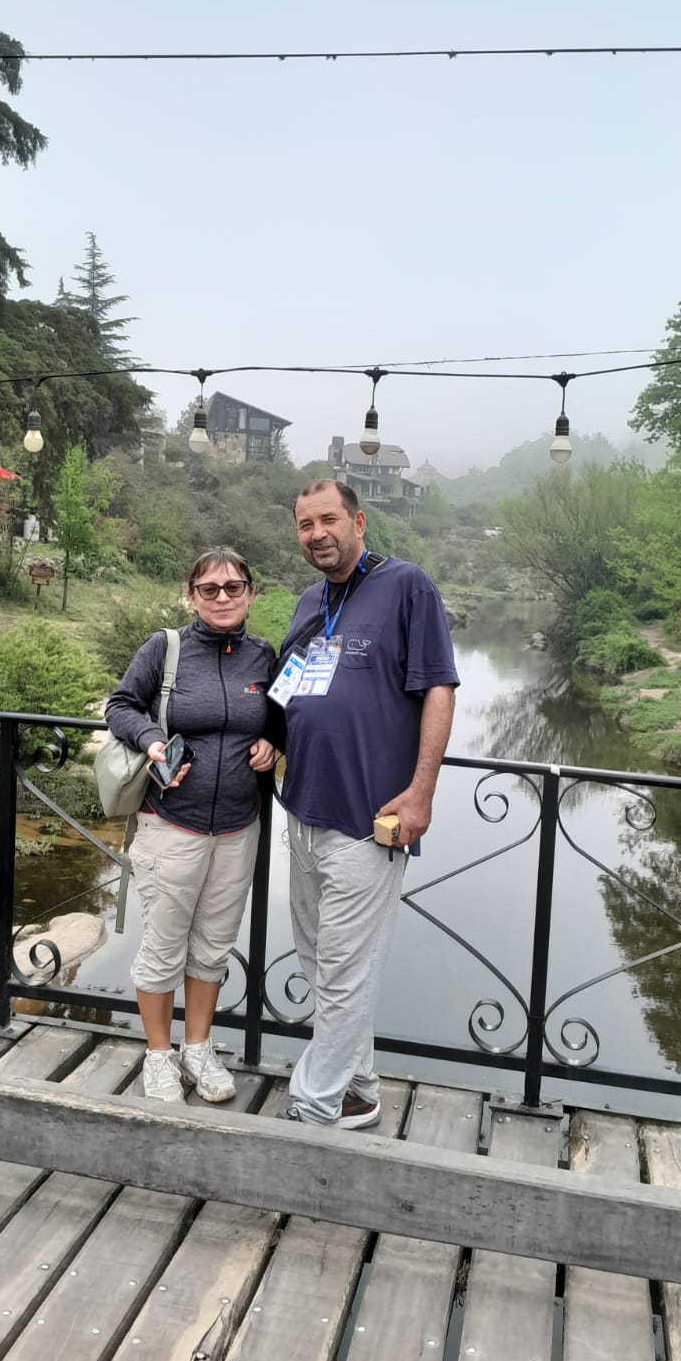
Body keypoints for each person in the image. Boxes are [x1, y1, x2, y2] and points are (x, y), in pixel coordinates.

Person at [275, 480, 458, 1127]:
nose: (317, 533)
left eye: (328, 519)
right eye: (304, 525)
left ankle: (315, 1107)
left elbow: (438, 688)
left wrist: (422, 792)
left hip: (368, 818)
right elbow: (285, 697)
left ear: (357, 520)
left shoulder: (407, 587)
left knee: (345, 972)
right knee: (318, 962)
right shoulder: (307, 602)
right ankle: (358, 1087)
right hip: (301, 810)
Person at [105, 546, 276, 1105]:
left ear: (251, 592)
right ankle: (159, 1054)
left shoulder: (263, 655)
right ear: (191, 595)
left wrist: (274, 744)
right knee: (163, 946)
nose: (222, 597)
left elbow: (278, 719)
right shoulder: (166, 648)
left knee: (212, 949)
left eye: (233, 587)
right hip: (169, 825)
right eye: (210, 589)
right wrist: (151, 740)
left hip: (236, 829)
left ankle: (198, 1048)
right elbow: (121, 705)